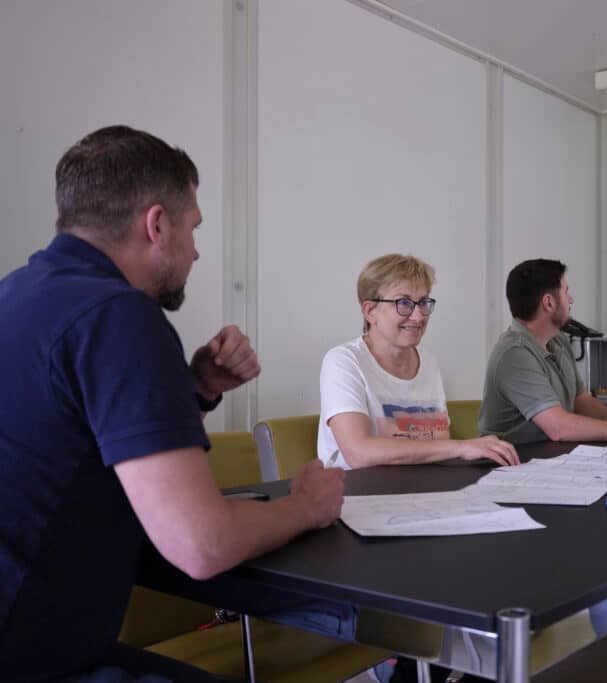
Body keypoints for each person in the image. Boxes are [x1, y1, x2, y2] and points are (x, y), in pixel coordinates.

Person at [0, 126, 347, 683]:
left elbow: (83, 446)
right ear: (157, 225)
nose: (196, 249)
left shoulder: (17, 294)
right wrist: (308, 505)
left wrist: (198, 387)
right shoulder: (121, 315)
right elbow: (201, 544)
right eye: (193, 227)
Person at [318, 254, 519, 469]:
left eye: (423, 302)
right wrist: (460, 447)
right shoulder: (343, 361)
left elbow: (436, 444)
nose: (419, 316)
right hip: (355, 488)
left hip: (418, 485)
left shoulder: (429, 362)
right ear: (370, 311)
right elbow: (359, 453)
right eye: (404, 303)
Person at [478, 258, 607, 444]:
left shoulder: (559, 341)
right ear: (548, 302)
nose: (571, 300)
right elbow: (558, 427)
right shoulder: (514, 354)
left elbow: (580, 400)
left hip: (551, 455)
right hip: (515, 462)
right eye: (566, 292)